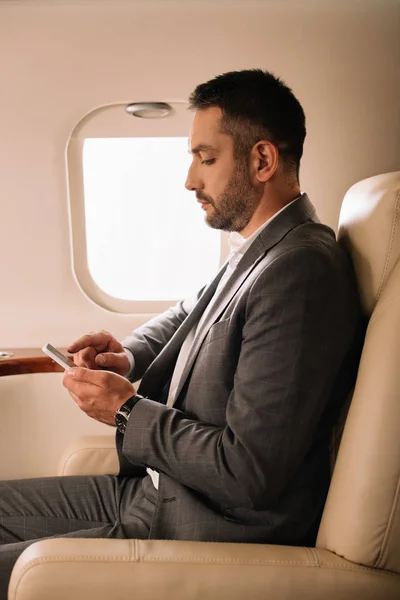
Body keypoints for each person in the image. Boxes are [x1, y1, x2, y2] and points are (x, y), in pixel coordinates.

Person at [0, 69, 363, 596]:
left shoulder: (300, 271)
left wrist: (125, 410)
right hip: (159, 489)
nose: (191, 180)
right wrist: (125, 354)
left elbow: (248, 471)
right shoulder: (260, 249)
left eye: (207, 158)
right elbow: (186, 313)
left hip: (200, 521)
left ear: (262, 160)